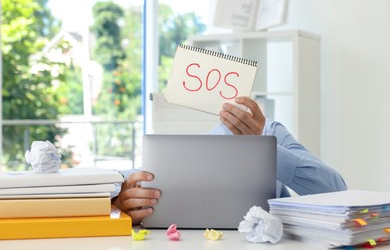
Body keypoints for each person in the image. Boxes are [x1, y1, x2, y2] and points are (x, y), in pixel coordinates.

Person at [111, 96, 347, 225]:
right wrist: (119, 204)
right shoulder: (169, 152)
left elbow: (336, 190)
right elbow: (117, 184)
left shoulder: (269, 130)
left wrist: (263, 146)